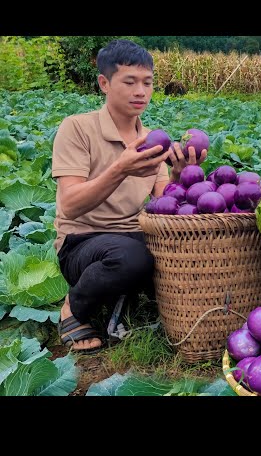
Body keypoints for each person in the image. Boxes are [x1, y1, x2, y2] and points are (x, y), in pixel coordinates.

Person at [52, 39, 207, 354]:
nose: (141, 91)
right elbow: (69, 205)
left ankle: (125, 297)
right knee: (131, 256)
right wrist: (119, 169)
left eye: (147, 83)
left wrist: (179, 175)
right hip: (82, 244)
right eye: (130, 82)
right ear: (104, 83)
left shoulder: (152, 140)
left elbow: (166, 204)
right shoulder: (77, 128)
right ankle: (73, 307)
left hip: (137, 238)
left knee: (180, 253)